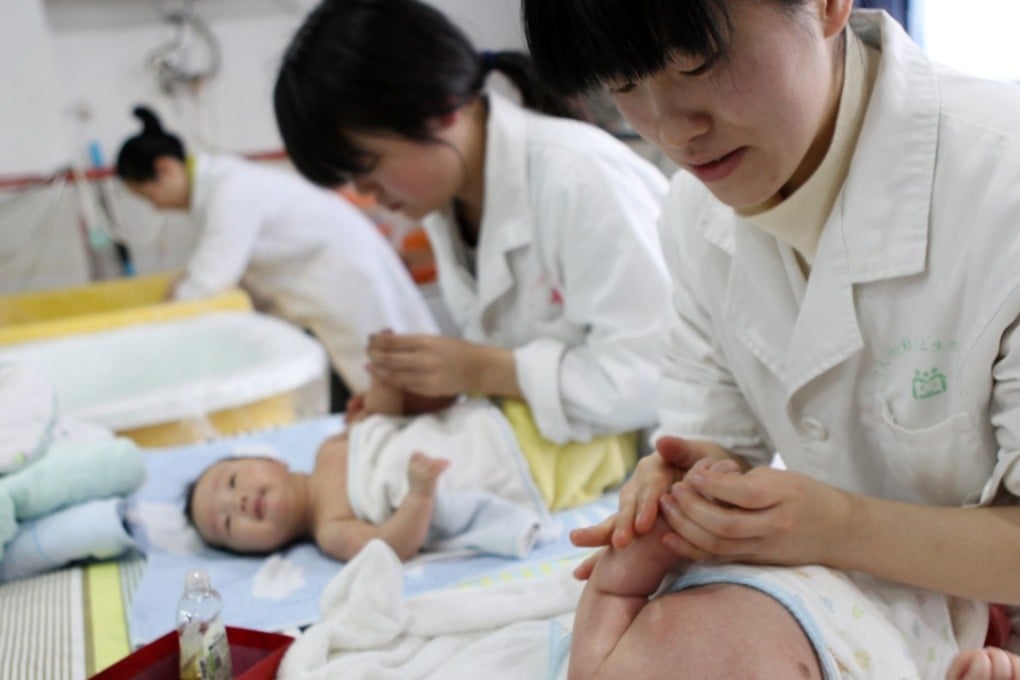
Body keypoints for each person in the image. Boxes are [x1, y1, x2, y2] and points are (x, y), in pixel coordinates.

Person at [521, 0, 1020, 678]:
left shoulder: (1002, 182)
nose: (674, 131)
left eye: (700, 64)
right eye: (626, 86)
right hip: (854, 607)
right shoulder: (697, 211)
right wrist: (685, 486)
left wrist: (838, 525)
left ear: (825, 6)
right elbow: (715, 439)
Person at [273, 0, 672, 511]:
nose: (365, 191)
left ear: (440, 109)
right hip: (577, 471)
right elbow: (517, 351)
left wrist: (483, 370)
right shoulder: (449, 201)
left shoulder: (581, 178)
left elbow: (649, 377)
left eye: (367, 166)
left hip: (657, 466)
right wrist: (434, 394)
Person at [115, 106, 438, 398]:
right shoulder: (222, 186)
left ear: (165, 169)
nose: (155, 206)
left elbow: (210, 280)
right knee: (385, 386)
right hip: (333, 288)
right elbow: (213, 263)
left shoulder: (230, 190)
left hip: (348, 285)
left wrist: (157, 323)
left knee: (397, 386)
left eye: (148, 195)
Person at [185, 376, 551, 561]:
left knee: (566, 408)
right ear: (258, 551)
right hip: (516, 470)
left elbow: (382, 423)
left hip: (487, 423)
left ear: (270, 460)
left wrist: (383, 383)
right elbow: (394, 545)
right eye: (228, 524)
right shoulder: (331, 529)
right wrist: (420, 495)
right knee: (600, 455)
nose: (239, 503)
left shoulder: (329, 448)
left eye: (232, 482)